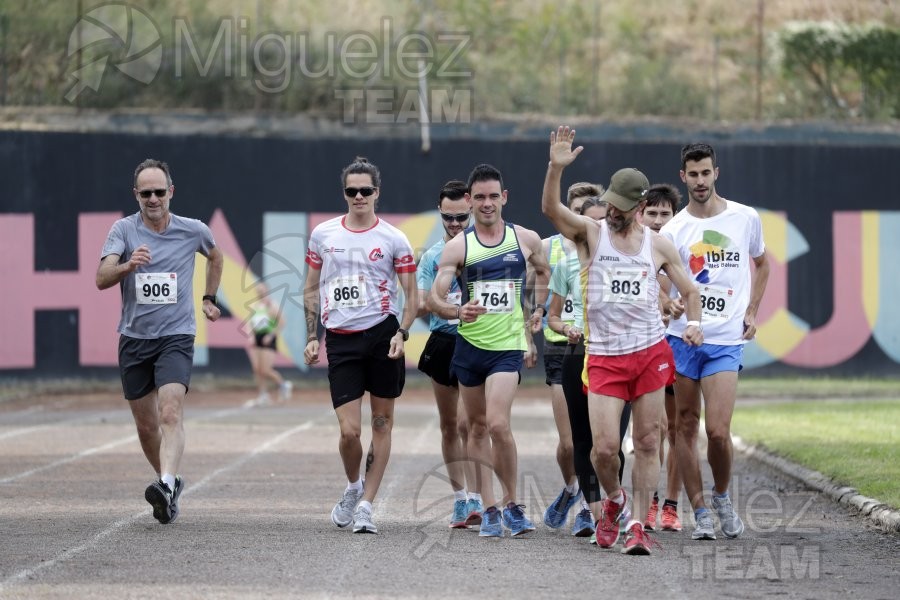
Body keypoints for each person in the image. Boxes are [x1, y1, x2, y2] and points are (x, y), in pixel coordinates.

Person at [541, 126, 703, 555]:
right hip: (605, 357)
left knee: (650, 441)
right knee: (604, 451)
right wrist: (555, 168)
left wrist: (695, 322)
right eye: (611, 202)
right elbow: (551, 209)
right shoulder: (592, 235)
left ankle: (637, 526)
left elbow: (689, 290)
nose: (613, 210)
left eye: (623, 206)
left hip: (650, 354)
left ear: (642, 207)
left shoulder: (658, 244)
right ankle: (614, 502)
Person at [96, 158, 223, 524]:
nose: (153, 199)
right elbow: (101, 278)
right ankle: (170, 484)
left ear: (171, 192)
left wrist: (208, 299)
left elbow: (215, 256)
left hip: (176, 335)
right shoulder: (123, 230)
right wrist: (126, 266)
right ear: (136, 195)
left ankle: (165, 484)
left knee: (169, 411)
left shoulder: (193, 230)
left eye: (159, 192)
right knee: (146, 426)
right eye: (146, 193)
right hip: (134, 338)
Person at [431, 163, 552, 538]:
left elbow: (544, 272)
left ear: (505, 198)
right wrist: (456, 310)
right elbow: (435, 296)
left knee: (498, 423)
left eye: (492, 196)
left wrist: (537, 310)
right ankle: (489, 508)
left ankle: (513, 503)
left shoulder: (525, 239)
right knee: (476, 429)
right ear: (469, 201)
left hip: (507, 348)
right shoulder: (458, 246)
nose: (486, 203)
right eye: (479, 197)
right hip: (469, 347)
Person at [302, 156, 418, 535]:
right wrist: (310, 336)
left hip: (382, 336)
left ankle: (367, 505)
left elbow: (412, 296)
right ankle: (353, 486)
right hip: (341, 340)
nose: (358, 196)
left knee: (381, 423)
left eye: (365, 190)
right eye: (351, 191)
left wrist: (402, 332)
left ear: (376, 193)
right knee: (349, 432)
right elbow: (309, 288)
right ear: (344, 193)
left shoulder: (393, 239)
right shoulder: (323, 235)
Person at [661, 143, 770, 541]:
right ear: (683, 177)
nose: (700, 181)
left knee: (719, 432)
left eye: (706, 173)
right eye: (693, 174)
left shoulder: (745, 218)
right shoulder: (673, 230)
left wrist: (753, 311)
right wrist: (668, 303)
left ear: (716, 173)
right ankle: (700, 511)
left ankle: (721, 495)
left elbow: (762, 263)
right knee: (684, 426)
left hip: (725, 339)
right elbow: (658, 279)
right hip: (684, 339)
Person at [417, 180, 482, 528]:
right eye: (448, 218)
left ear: (471, 209)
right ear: (439, 213)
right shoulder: (431, 257)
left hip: (479, 339)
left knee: (470, 423)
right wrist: (454, 311)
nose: (455, 224)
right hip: (444, 340)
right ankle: (460, 499)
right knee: (448, 426)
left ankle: (480, 495)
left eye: (460, 217)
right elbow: (428, 300)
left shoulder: (485, 250)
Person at [539, 182, 598, 534]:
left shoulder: (609, 253)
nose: (578, 219)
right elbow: (536, 291)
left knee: (601, 440)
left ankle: (590, 510)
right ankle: (571, 487)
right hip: (563, 347)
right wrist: (534, 315)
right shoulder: (551, 250)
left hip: (600, 346)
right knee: (569, 441)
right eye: (572, 211)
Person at [639, 184, 685, 533]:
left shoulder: (677, 248)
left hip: (678, 345)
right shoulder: (632, 248)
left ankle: (671, 504)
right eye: (651, 213)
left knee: (678, 428)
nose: (657, 220)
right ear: (640, 213)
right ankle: (650, 501)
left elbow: (695, 289)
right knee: (652, 429)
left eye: (664, 214)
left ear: (673, 216)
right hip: (646, 349)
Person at [245, 282, 292, 406]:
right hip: (257, 339)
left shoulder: (272, 305)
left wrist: (271, 335)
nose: (260, 292)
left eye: (262, 290)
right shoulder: (255, 306)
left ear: (266, 290)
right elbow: (250, 323)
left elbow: (282, 322)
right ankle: (263, 395)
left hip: (268, 338)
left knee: (266, 369)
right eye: (258, 290)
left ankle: (283, 385)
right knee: (257, 369)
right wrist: (251, 336)